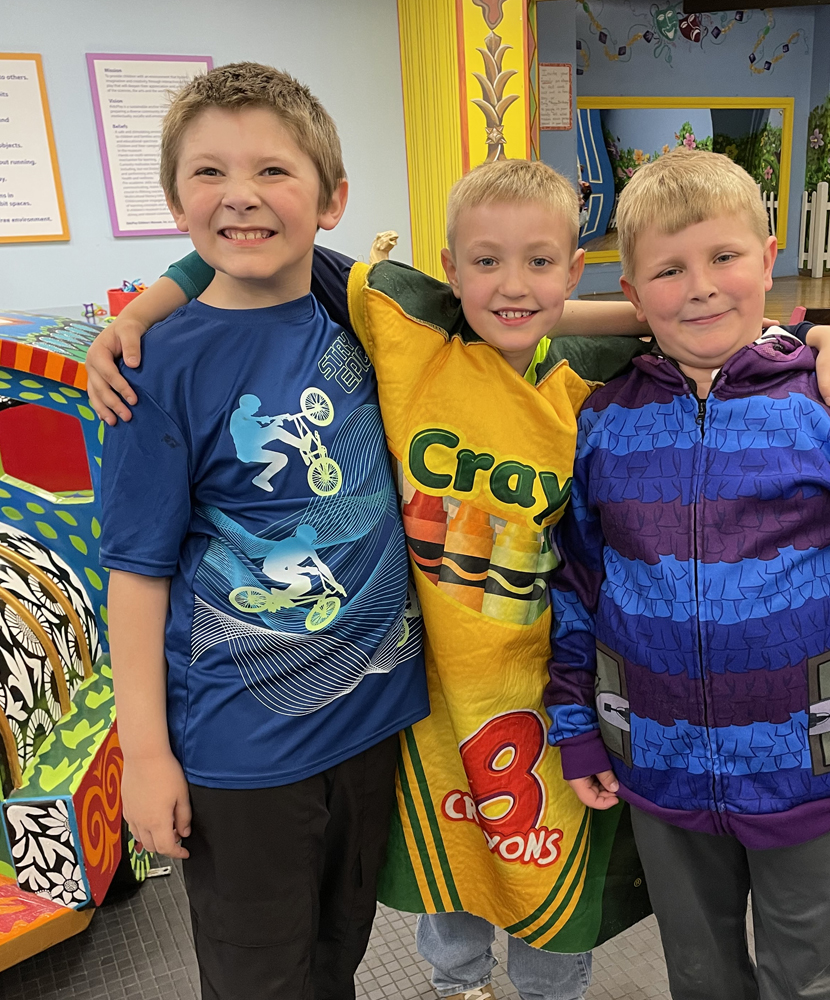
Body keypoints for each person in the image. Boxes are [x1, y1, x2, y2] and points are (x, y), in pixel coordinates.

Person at [89, 156, 830, 1000]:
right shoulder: (409, 333)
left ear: (572, 270)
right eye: (486, 261)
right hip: (430, 692)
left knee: (552, 881)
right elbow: (267, 237)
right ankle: (459, 987)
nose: (512, 283)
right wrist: (145, 309)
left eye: (539, 262)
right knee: (452, 876)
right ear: (451, 269)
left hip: (548, 689)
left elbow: (691, 316)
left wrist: (812, 336)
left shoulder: (597, 372)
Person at [545, 148, 830, 1000]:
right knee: (698, 971)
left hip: (808, 764)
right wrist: (576, 722)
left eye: (724, 256)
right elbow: (577, 585)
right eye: (669, 270)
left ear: (769, 259)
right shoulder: (604, 423)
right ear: (633, 294)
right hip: (657, 762)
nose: (700, 287)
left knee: (816, 972)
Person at [99, 63, 429, 1000]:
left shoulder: (354, 302)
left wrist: (747, 333)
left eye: (273, 170)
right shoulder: (152, 370)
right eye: (208, 173)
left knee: (337, 956)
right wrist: (144, 755)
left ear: (332, 201)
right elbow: (136, 574)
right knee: (259, 978)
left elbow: (508, 309)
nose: (240, 194)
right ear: (175, 202)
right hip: (242, 750)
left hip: (371, 719)